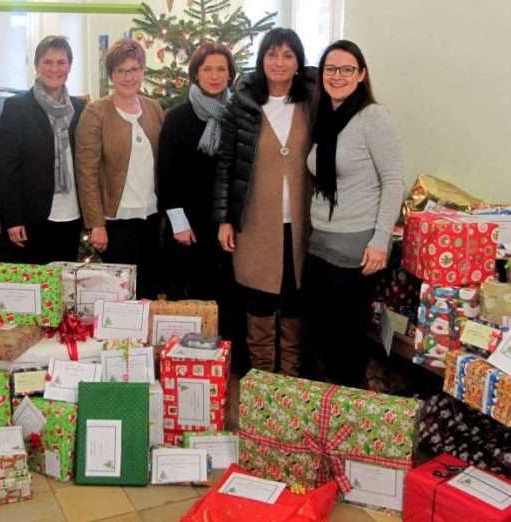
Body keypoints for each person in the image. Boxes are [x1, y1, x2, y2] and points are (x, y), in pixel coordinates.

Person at [303, 40, 403, 387]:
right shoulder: (324, 120)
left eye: (347, 69)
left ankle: (349, 415)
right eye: (330, 68)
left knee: (345, 341)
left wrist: (380, 242)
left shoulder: (372, 117)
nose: (338, 75)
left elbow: (393, 182)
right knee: (318, 335)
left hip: (358, 247)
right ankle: (326, 413)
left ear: (361, 74)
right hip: (320, 244)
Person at [212, 28, 313, 376]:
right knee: (260, 307)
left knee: (294, 307)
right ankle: (263, 392)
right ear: (261, 59)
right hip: (255, 225)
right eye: (272, 54)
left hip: (302, 228)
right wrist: (225, 218)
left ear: (299, 62)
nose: (279, 62)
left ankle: (291, 392)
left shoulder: (311, 104)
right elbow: (226, 165)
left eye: (288, 55)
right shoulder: (243, 105)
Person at [76, 38, 164, 299]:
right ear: (111, 75)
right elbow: (87, 172)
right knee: (123, 295)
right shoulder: (96, 112)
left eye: (134, 69)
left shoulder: (154, 108)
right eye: (121, 71)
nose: (128, 77)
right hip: (115, 221)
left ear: (143, 71)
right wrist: (96, 224)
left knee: (149, 289)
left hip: (151, 216)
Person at [0, 36, 86, 264]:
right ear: (36, 65)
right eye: (47, 62)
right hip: (31, 218)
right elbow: (7, 169)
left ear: (69, 66)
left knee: (64, 290)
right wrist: (13, 219)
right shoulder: (17, 108)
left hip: (72, 215)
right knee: (34, 291)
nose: (54, 68)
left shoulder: (81, 108)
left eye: (61, 62)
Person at [158, 43, 236, 301]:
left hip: (226, 223)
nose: (214, 76)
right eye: (207, 69)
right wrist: (179, 224)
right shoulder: (178, 117)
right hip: (187, 225)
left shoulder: (237, 116)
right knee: (188, 298)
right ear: (196, 73)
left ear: (229, 74)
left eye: (221, 69)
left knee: (224, 296)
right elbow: (167, 175)